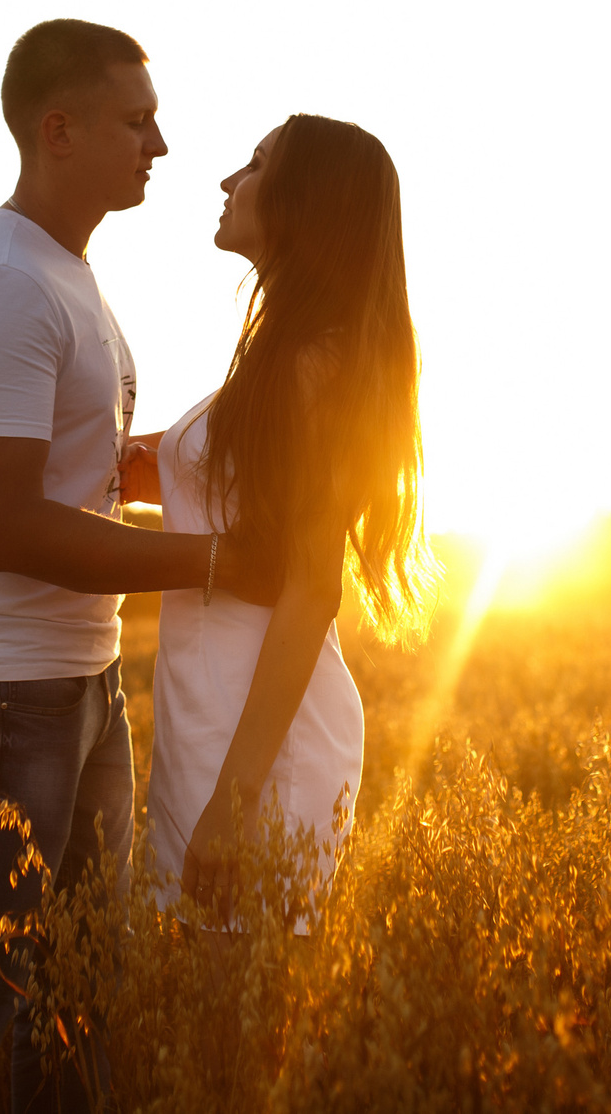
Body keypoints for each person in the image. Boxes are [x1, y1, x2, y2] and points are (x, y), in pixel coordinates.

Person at [0, 18, 271, 1111]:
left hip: (75, 688)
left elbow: (81, 473)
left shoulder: (63, 274)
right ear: (59, 130)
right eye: (136, 121)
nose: (161, 144)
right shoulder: (9, 286)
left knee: (75, 1004)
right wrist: (217, 561)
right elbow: (9, 527)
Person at [132, 113, 432, 933]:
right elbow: (240, 491)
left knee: (240, 1027)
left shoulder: (317, 364)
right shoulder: (284, 355)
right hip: (210, 714)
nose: (229, 181)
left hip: (263, 744)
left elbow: (310, 591)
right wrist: (149, 462)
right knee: (198, 1023)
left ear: (306, 201)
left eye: (255, 164)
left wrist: (234, 800)